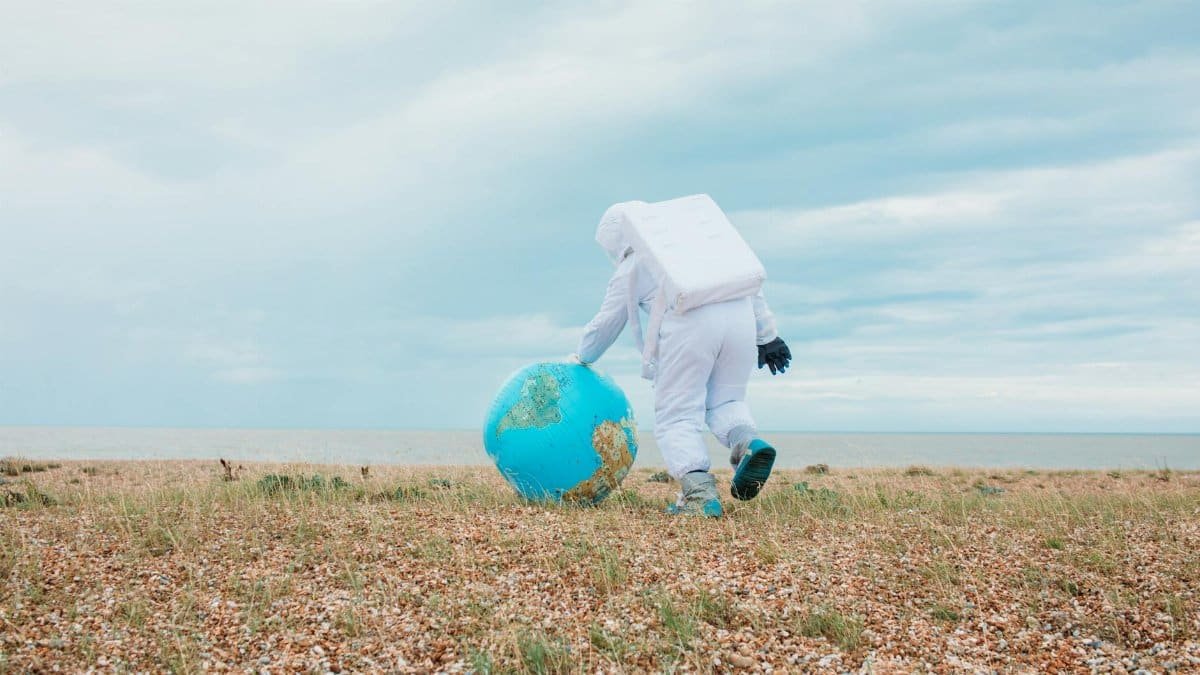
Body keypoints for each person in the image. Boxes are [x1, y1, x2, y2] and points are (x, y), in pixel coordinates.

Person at [573, 201, 792, 517]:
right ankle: (748, 444)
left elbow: (605, 325)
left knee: (676, 416)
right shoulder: (701, 245)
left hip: (690, 326)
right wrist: (768, 337)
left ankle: (700, 496)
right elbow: (751, 286)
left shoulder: (633, 266)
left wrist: (582, 357)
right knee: (727, 402)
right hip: (741, 321)